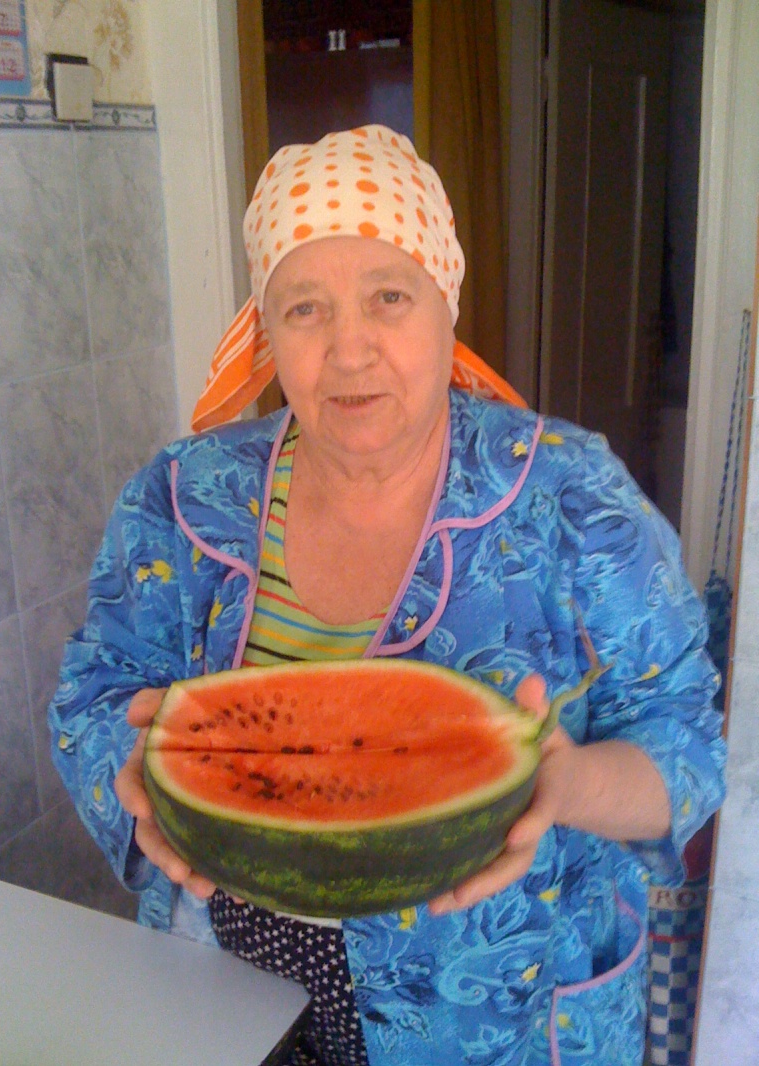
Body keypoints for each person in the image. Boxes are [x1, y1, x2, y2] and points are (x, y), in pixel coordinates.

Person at [49, 124, 726, 1066]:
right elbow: (92, 694)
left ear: (447, 303)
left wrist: (567, 783)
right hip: (233, 1000)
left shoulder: (574, 497)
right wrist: (137, 781)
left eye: (388, 297)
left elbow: (690, 744)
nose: (349, 349)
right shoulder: (180, 497)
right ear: (265, 329)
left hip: (499, 1026)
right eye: (305, 309)